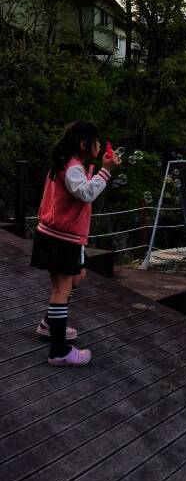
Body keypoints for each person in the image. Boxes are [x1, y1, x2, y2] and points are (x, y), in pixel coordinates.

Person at [30, 121, 121, 366]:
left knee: (78, 277)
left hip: (58, 235)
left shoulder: (68, 163)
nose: (99, 146)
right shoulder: (71, 167)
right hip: (60, 238)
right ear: (83, 144)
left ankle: (49, 323)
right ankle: (59, 351)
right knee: (61, 289)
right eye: (96, 142)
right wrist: (106, 171)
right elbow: (86, 193)